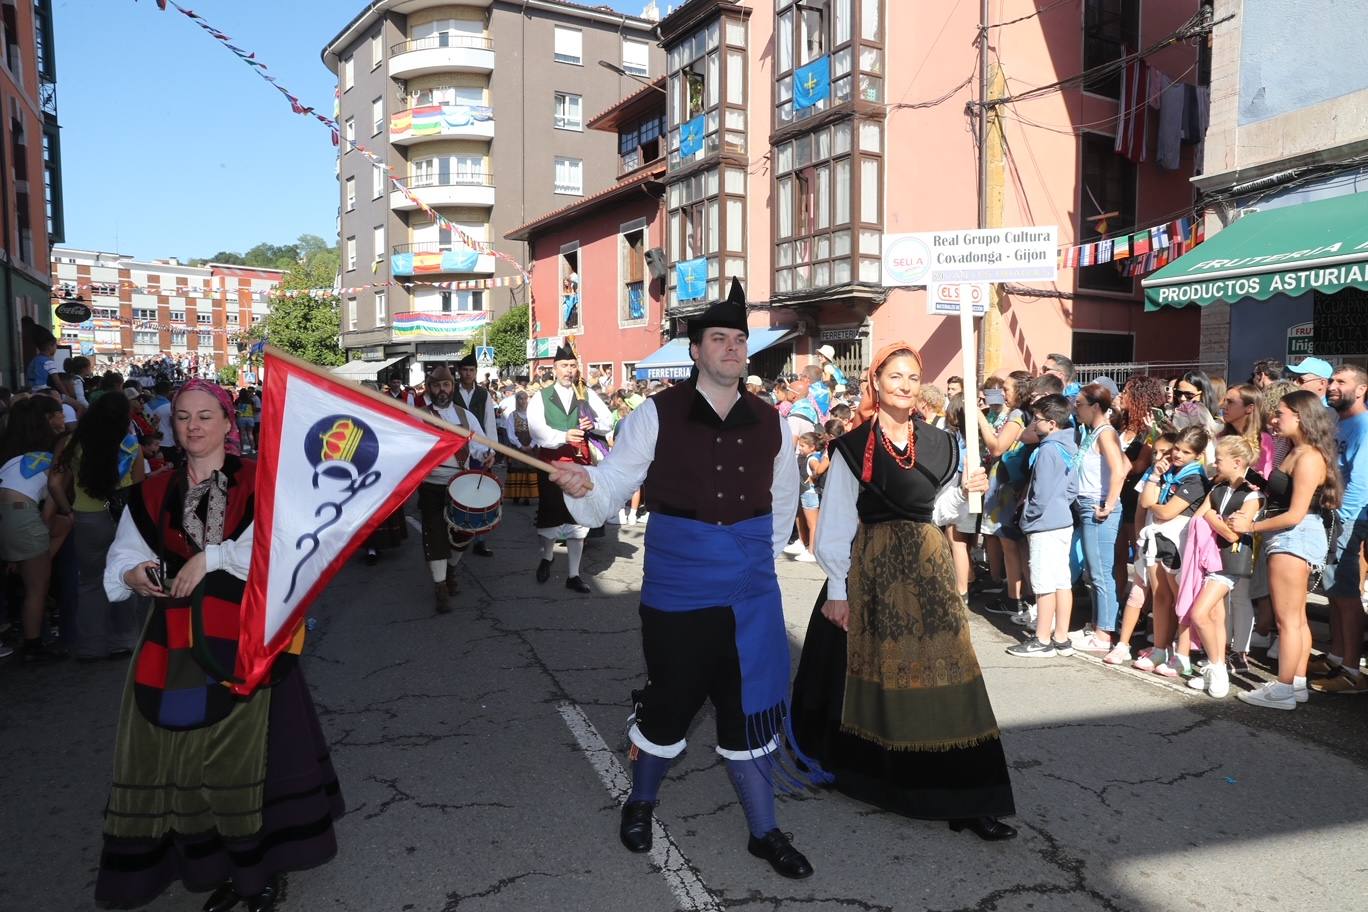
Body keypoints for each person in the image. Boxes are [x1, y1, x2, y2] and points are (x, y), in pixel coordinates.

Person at [547, 280, 818, 878]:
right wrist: (587, 487)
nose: (731, 348)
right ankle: (640, 801)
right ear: (695, 350)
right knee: (670, 702)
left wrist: (760, 558)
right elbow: (617, 479)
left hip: (750, 588)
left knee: (748, 708)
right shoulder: (655, 412)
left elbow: (781, 500)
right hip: (678, 583)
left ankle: (764, 831)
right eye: (718, 338)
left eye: (739, 340)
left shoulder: (773, 421)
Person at [94, 380, 343, 911]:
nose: (193, 426)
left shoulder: (260, 482)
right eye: (183, 417)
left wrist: (213, 558)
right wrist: (134, 573)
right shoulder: (153, 489)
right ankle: (211, 866)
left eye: (206, 416)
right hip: (172, 639)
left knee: (246, 762)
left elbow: (283, 550)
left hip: (246, 635)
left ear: (230, 423)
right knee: (178, 760)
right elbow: (122, 555)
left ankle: (260, 873)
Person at [789, 341, 1013, 840]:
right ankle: (886, 779)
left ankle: (968, 797)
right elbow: (837, 523)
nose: (906, 385)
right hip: (869, 572)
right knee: (882, 676)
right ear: (876, 382)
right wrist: (836, 590)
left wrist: (966, 489)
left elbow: (939, 512)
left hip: (927, 568)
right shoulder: (852, 446)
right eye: (896, 376)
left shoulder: (941, 443)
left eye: (913, 377)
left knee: (951, 672)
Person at [1233, 390, 1341, 709]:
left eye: (1280, 413)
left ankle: (1282, 689)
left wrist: (1249, 527)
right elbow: (1283, 494)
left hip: (1295, 537)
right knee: (1296, 619)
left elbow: (1295, 513)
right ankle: (1295, 684)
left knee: (1288, 621)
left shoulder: (1308, 457)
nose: (1274, 419)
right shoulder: (1297, 451)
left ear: (1300, 415)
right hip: (1290, 536)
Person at [49, 391, 145, 662]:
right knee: (125, 575)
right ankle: (124, 639)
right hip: (123, 517)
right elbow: (139, 486)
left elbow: (55, 483)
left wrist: (67, 511)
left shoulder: (73, 442)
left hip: (87, 517)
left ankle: (91, 645)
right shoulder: (131, 445)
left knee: (90, 583)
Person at [528, 343, 612, 593]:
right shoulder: (541, 397)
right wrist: (564, 436)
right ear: (554, 369)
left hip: (580, 465)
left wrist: (592, 423)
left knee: (578, 518)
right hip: (552, 465)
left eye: (573, 366)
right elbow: (536, 429)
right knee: (550, 516)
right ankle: (546, 555)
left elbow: (607, 421)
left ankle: (573, 574)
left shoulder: (585, 394)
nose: (569, 370)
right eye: (564, 366)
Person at [1183, 435, 1262, 699]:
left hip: (1230, 562)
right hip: (1211, 559)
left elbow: (1234, 534)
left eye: (1218, 460)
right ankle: (1216, 668)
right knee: (1215, 617)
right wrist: (1216, 517)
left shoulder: (1251, 494)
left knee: (1199, 613)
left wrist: (1211, 515)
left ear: (1237, 462)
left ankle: (1217, 667)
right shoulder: (1218, 489)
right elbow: (1198, 516)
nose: (1214, 464)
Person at [1133, 426, 1211, 678]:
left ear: (1198, 456)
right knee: (1159, 596)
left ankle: (1183, 655)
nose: (1177, 455)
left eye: (1186, 452)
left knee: (1181, 602)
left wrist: (1157, 504)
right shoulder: (1168, 471)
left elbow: (1167, 512)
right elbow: (1145, 503)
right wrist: (1155, 475)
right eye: (1177, 448)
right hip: (1158, 537)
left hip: (1179, 542)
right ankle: (1159, 649)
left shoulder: (1195, 479)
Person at [1007, 394, 1079, 658]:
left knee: (1044, 583)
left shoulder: (1048, 449)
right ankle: (1061, 637)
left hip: (1045, 524)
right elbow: (1072, 487)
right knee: (1061, 581)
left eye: (1037, 420)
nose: (1033, 424)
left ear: (1051, 423)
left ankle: (1042, 639)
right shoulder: (1068, 444)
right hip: (1061, 520)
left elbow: (1041, 492)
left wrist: (1030, 516)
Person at [415, 365, 491, 613]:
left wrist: (487, 453)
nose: (441, 390)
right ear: (429, 388)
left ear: (453, 387)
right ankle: (440, 588)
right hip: (432, 485)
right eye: (436, 385)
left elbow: (480, 444)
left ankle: (450, 571)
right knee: (435, 536)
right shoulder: (419, 415)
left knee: (463, 535)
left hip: (461, 484)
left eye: (446, 385)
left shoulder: (466, 416)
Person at [0, 399, 71, 662]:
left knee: (59, 529)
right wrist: (68, 511)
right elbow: (49, 510)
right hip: (23, 515)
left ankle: (27, 563)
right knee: (37, 588)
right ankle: (33, 645)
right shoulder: (54, 460)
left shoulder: (15, 457)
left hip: (8, 515)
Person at [1312, 365, 1368, 694]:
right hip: (1333, 516)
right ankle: (1335, 656)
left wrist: (1341, 517)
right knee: (1333, 591)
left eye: (1340, 382)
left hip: (1348, 519)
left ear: (1360, 390)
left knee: (1346, 593)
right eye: (1332, 380)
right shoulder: (1339, 422)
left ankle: (1351, 670)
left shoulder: (1363, 426)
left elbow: (1360, 481)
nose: (1332, 386)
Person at [1073, 383, 1127, 652]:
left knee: (1100, 573)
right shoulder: (1095, 433)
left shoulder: (1104, 433)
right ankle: (1098, 626)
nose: (1076, 409)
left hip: (1097, 506)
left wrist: (1109, 502)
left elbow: (1119, 469)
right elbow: (1125, 463)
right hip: (1089, 504)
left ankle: (1104, 634)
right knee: (1094, 572)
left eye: (1080, 404)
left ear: (1095, 406)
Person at [455, 353, 498, 557]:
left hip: (480, 449)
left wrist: (492, 450)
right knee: (459, 491)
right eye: (464, 370)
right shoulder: (451, 390)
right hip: (456, 450)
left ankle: (480, 539)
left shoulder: (483, 394)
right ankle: (458, 531)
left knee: (481, 493)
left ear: (476, 372)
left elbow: (490, 422)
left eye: (471, 370)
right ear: (459, 372)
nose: (468, 373)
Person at [503, 390, 539, 505]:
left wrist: (531, 445)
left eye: (524, 399)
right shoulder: (512, 415)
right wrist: (520, 445)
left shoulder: (533, 415)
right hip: (518, 446)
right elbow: (510, 433)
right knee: (517, 468)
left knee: (529, 469)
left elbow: (537, 431)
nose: (523, 401)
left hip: (530, 446)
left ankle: (527, 496)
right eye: (520, 399)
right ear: (517, 400)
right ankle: (516, 494)